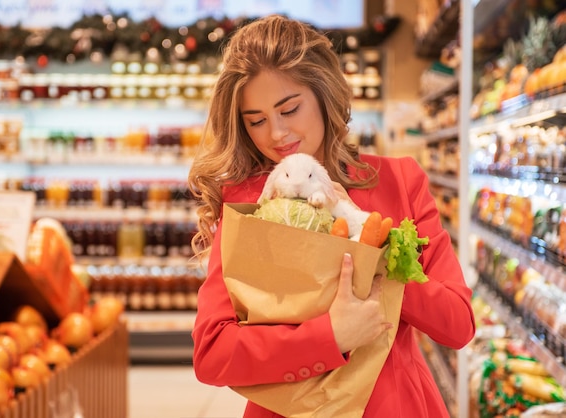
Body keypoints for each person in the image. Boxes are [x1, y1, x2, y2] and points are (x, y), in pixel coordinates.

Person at [188, 14, 475, 418]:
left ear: (324, 94)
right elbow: (212, 353)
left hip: (394, 405)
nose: (276, 134)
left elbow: (458, 324)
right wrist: (330, 337)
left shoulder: (398, 182)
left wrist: (371, 250)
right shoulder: (249, 202)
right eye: (256, 121)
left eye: (290, 109)